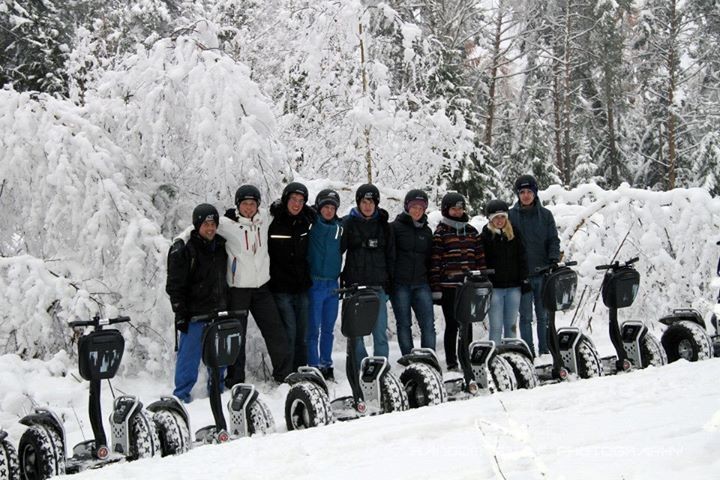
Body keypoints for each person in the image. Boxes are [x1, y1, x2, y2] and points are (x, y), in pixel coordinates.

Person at [218, 185, 292, 385]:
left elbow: (288, 208)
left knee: (275, 330)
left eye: (252, 204)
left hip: (262, 289)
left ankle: (284, 374)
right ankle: (235, 379)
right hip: (238, 291)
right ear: (238, 205)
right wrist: (180, 240)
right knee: (236, 335)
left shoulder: (264, 220)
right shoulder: (228, 224)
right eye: (244, 204)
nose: (249, 208)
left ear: (258, 205)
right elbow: (199, 226)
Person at [166, 204, 228, 403]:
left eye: (213, 224)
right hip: (194, 315)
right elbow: (175, 286)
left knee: (219, 358)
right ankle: (181, 396)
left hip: (217, 312)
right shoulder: (186, 250)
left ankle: (217, 391)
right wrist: (180, 311)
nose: (210, 228)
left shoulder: (220, 246)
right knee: (188, 358)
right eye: (205, 224)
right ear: (197, 225)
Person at [430, 192, 485, 371]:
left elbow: (479, 257)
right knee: (452, 324)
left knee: (467, 324)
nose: (457, 212)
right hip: (449, 287)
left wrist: (481, 279)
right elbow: (435, 261)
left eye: (460, 208)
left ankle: (466, 357)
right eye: (453, 209)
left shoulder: (471, 231)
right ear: (446, 210)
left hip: (468, 286)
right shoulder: (441, 232)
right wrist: (436, 287)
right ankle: (452, 362)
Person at [341, 183, 394, 369]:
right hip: (355, 287)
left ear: (377, 204)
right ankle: (361, 368)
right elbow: (335, 250)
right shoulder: (347, 223)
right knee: (357, 334)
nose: (368, 206)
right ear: (358, 202)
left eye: (371, 202)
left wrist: (390, 285)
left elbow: (391, 255)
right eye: (364, 201)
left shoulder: (383, 225)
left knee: (379, 333)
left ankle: (381, 368)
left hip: (378, 286)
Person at [508, 175, 560, 356]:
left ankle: (545, 351)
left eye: (529, 191)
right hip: (522, 276)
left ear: (535, 193)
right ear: (518, 194)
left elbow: (553, 240)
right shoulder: (510, 216)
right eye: (522, 192)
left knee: (543, 315)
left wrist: (553, 259)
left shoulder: (545, 215)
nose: (526, 195)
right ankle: (529, 352)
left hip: (544, 273)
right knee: (525, 317)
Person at [268, 182, 314, 371]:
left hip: (301, 287)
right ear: (286, 199)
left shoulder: (306, 221)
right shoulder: (273, 221)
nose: (297, 204)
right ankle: (285, 372)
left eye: (301, 201)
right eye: (293, 199)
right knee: (289, 332)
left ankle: (301, 369)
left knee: (302, 333)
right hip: (281, 288)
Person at [389, 189, 436, 356]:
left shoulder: (427, 232)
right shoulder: (394, 228)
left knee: (428, 324)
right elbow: (389, 255)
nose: (417, 210)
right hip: (400, 284)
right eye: (414, 206)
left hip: (422, 284)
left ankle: (428, 356)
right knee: (404, 324)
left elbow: (430, 259)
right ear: (407, 207)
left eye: (421, 208)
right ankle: (408, 358)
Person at [480, 199, 529, 344]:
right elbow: (481, 260)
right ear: (490, 219)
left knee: (511, 325)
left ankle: (511, 353)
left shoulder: (514, 234)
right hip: (494, 288)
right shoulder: (485, 237)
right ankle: (494, 355)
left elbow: (523, 257)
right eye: (496, 217)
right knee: (496, 326)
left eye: (502, 217)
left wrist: (524, 279)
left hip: (514, 286)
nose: (499, 220)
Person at [306, 189, 343, 380]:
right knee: (313, 329)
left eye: (332, 208)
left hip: (332, 285)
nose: (328, 211)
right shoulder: (311, 223)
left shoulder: (341, 227)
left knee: (328, 329)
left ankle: (326, 364)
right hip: (315, 283)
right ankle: (313, 365)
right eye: (325, 207)